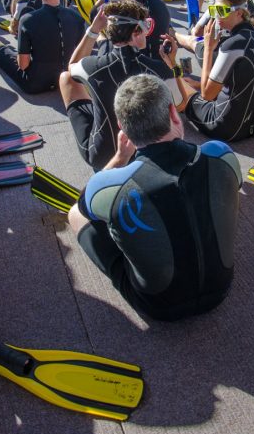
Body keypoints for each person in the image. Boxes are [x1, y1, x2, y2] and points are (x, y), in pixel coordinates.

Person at [66, 73, 242, 321]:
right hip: (221, 289)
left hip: (158, 307)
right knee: (223, 182)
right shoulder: (221, 153)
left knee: (75, 214)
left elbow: (84, 205)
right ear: (173, 112)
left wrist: (119, 158)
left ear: (121, 127)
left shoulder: (109, 185)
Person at [60, 0, 189, 170]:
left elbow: (71, 67)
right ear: (137, 31)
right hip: (146, 161)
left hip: (101, 156)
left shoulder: (91, 66)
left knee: (65, 78)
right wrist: (173, 65)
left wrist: (93, 30)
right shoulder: (159, 69)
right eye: (145, 28)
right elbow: (180, 104)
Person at [185, 0, 254, 142]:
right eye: (213, 10)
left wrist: (209, 48)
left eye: (222, 11)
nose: (217, 15)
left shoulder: (233, 44)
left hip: (223, 128)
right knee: (193, 85)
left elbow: (207, 95)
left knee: (180, 86)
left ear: (239, 13)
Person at [0, 0, 86, 94]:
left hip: (35, 83)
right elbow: (81, 56)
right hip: (68, 79)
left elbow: (23, 65)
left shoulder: (28, 20)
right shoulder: (76, 17)